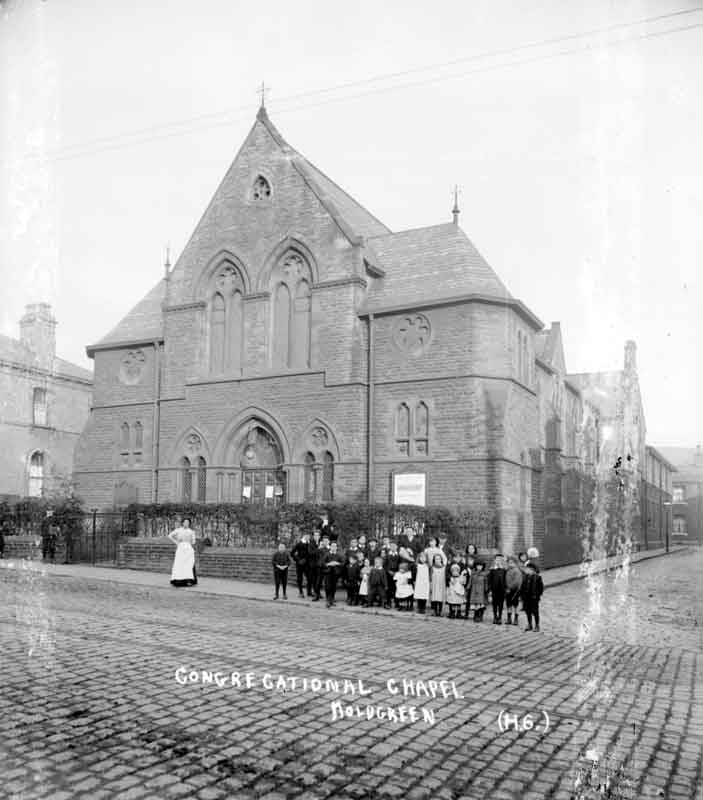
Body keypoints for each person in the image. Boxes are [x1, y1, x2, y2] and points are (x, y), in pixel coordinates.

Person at [168, 518, 197, 587]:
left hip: (188, 549)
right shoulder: (178, 530)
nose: (186, 524)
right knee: (179, 564)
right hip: (180, 548)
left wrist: (191, 541)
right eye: (185, 522)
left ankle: (188, 580)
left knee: (188, 564)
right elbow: (170, 536)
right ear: (182, 523)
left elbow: (193, 541)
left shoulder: (191, 531)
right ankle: (178, 580)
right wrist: (176, 542)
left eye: (188, 522)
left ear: (189, 524)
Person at [521, 562, 544, 631]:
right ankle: (529, 624)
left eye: (527, 569)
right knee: (528, 611)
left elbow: (541, 588)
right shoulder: (525, 577)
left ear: (532, 570)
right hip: (526, 597)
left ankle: (537, 625)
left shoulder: (538, 578)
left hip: (534, 598)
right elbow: (522, 586)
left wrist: (537, 596)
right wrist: (522, 595)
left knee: (535, 611)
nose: (526, 570)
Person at [487, 554, 507, 624]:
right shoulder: (492, 570)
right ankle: (495, 616)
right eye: (497, 559)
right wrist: (489, 590)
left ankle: (500, 617)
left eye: (500, 559)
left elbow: (505, 580)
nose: (499, 561)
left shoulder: (504, 570)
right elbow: (489, 580)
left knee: (501, 603)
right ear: (494, 560)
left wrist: (506, 588)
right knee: (494, 603)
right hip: (494, 589)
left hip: (502, 589)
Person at [323, 542, 344, 608]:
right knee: (328, 586)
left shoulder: (339, 555)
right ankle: (328, 600)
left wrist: (336, 563)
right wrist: (329, 564)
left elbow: (343, 563)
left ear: (336, 547)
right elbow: (322, 563)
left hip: (335, 573)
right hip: (328, 573)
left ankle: (331, 599)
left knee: (334, 587)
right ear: (330, 547)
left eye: (335, 546)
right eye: (332, 546)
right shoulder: (327, 554)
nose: (333, 547)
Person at [291, 532, 311, 598]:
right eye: (306, 535)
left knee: (310, 578)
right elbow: (292, 553)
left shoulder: (310, 543)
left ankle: (309, 592)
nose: (308, 537)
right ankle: (301, 592)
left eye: (309, 536)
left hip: (307, 564)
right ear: (304, 536)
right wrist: (298, 559)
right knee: (300, 578)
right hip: (299, 564)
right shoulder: (299, 543)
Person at [505, 555, 523, 626]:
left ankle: (516, 619)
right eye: (509, 563)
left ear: (515, 563)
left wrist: (510, 587)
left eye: (512, 562)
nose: (510, 564)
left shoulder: (517, 571)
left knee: (515, 605)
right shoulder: (508, 570)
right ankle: (509, 618)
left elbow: (516, 582)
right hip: (508, 590)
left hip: (515, 590)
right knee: (508, 604)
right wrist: (506, 588)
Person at [384, 541, 401, 609]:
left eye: (394, 546)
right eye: (391, 546)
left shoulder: (399, 555)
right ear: (390, 547)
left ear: (397, 547)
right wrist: (388, 571)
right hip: (388, 574)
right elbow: (384, 565)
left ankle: (397, 603)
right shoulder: (387, 555)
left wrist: (397, 572)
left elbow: (400, 564)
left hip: (396, 574)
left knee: (396, 588)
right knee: (389, 589)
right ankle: (388, 602)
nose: (393, 547)